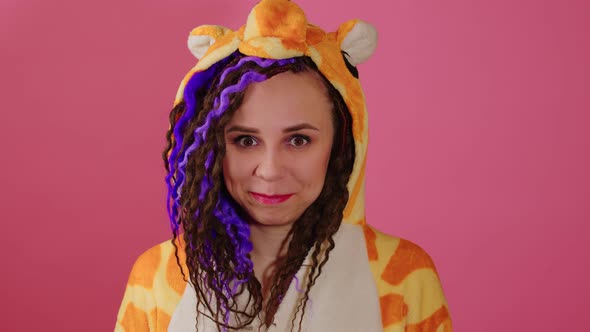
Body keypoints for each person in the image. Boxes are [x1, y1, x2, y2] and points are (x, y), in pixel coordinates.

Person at [115, 0, 452, 331]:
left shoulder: (404, 278)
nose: (271, 170)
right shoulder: (157, 276)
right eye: (245, 140)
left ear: (342, 145)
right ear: (212, 147)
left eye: (298, 140)